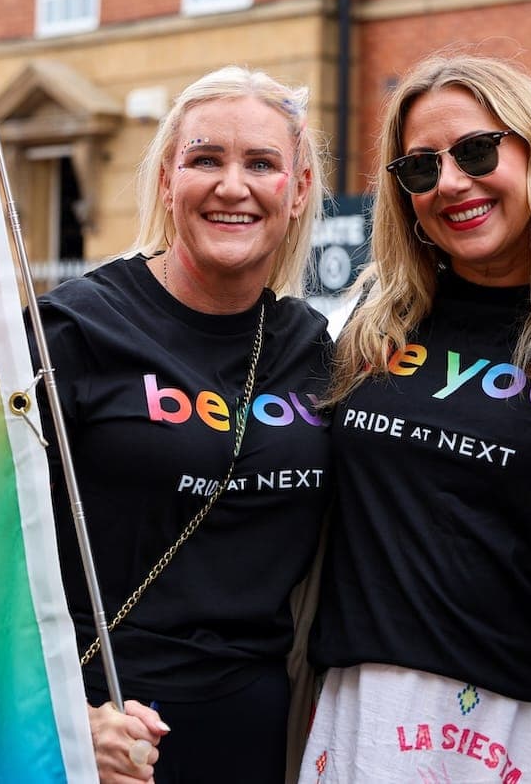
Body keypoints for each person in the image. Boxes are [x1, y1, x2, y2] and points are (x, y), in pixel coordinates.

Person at [301, 53, 531, 783]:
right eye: (420, 168)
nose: (450, 182)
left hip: (529, 725)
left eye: (478, 151)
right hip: (364, 711)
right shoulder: (376, 319)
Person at [31, 66, 333, 784]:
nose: (233, 185)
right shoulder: (72, 329)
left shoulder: (313, 347)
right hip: (99, 731)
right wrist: (65, 715)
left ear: (297, 191)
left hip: (251, 736)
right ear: (168, 181)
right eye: (205, 159)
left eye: (261, 163)